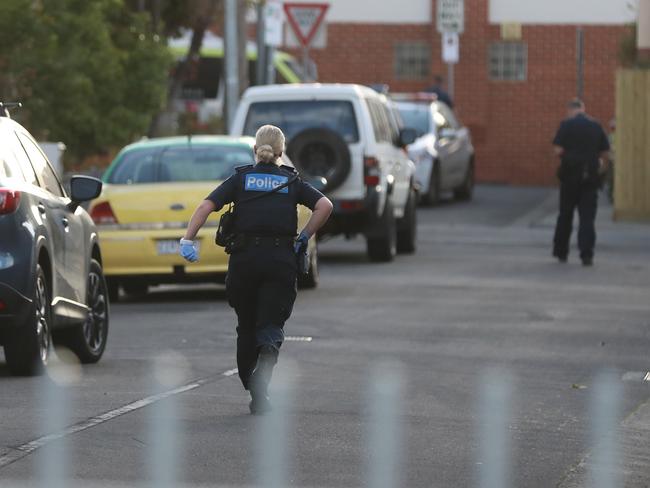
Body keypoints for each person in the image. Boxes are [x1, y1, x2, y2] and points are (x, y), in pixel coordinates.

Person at [179, 125, 333, 414]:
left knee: (246, 324)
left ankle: (251, 382)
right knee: (271, 324)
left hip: (244, 260)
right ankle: (267, 355)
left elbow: (205, 207)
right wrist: (303, 236)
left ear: (255, 151)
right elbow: (325, 206)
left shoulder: (241, 179)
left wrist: (188, 239)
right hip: (280, 260)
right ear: (281, 153)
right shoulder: (292, 181)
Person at [552, 99, 610, 266]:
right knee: (587, 218)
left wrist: (566, 157)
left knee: (565, 215)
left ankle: (561, 251)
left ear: (570, 110)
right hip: (590, 177)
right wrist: (600, 170)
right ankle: (586, 254)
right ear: (583, 109)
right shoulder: (596, 125)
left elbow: (557, 149)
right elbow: (605, 152)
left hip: (569, 176)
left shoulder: (566, 125)